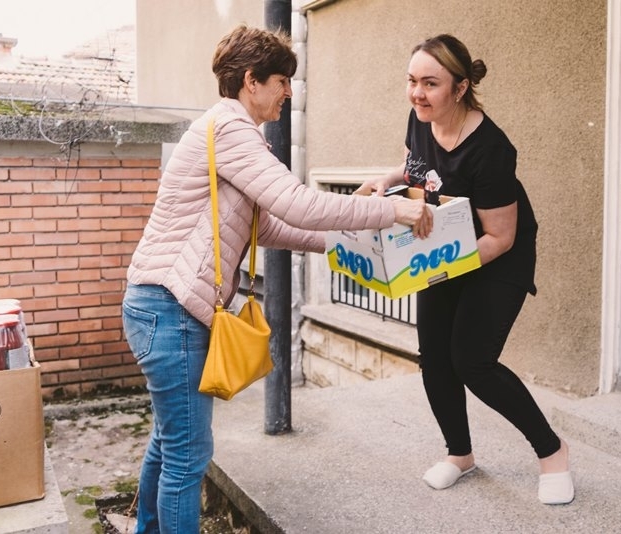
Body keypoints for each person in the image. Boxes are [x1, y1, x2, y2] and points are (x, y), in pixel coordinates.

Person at [122, 24, 433, 533]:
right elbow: (296, 202)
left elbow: (267, 224)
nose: (289, 91)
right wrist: (392, 215)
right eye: (283, 80)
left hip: (164, 306)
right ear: (252, 81)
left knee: (169, 440)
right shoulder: (231, 130)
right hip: (170, 308)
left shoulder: (228, 132)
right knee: (188, 455)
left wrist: (345, 241)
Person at [355, 33, 574, 505]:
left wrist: (442, 265)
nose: (417, 93)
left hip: (497, 257)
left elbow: (502, 237)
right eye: (412, 81)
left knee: (472, 361)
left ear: (459, 88)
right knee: (434, 356)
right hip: (443, 249)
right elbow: (416, 166)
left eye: (430, 84)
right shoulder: (421, 119)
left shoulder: (491, 150)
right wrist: (389, 179)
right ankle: (460, 455)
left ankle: (552, 452)